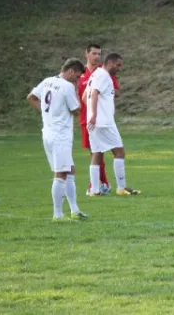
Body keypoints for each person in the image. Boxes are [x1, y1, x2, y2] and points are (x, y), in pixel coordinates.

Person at [27, 58, 89, 221]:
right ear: (71, 72)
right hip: (60, 135)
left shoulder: (48, 81)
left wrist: (46, 114)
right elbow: (76, 110)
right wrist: (75, 89)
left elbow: (31, 97)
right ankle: (57, 215)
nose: (76, 81)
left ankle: (74, 210)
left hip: (47, 132)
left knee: (70, 170)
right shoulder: (67, 86)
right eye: (76, 77)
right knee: (60, 173)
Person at [84, 53, 141, 196]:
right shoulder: (103, 75)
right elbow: (95, 93)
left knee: (97, 153)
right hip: (103, 122)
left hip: (94, 122)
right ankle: (121, 188)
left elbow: (85, 97)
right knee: (119, 152)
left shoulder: (95, 74)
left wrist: (91, 113)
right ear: (109, 62)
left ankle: (94, 190)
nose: (119, 68)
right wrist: (96, 115)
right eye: (118, 65)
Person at [78, 44, 120, 195]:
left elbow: (115, 91)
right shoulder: (80, 74)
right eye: (94, 53)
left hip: (97, 118)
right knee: (96, 153)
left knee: (97, 153)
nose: (97, 56)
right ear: (86, 54)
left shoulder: (103, 72)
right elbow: (82, 96)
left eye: (99, 54)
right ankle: (101, 185)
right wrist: (91, 111)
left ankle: (98, 185)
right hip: (88, 119)